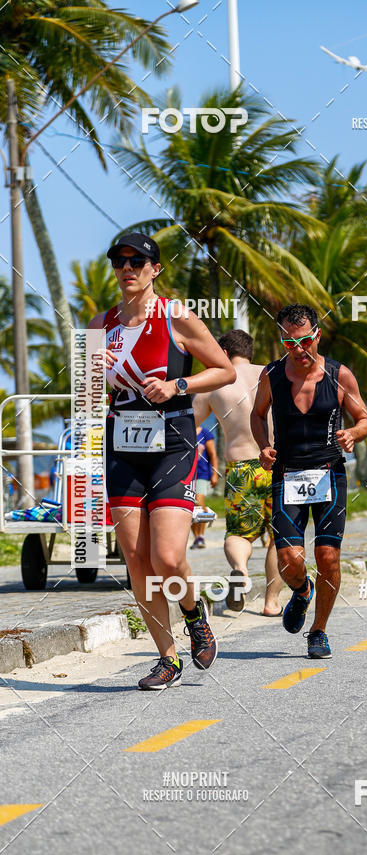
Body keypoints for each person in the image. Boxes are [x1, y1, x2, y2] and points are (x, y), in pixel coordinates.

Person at [89, 233, 236, 689]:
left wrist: (178, 386)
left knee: (168, 557)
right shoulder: (99, 325)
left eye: (137, 261)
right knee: (136, 560)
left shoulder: (176, 316)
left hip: (172, 441)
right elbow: (88, 396)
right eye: (119, 261)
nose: (127, 268)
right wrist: (93, 371)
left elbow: (224, 370)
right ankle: (167, 658)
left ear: (155, 269)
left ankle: (194, 616)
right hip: (121, 445)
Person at [251, 303, 367, 658]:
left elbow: (365, 418)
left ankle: (318, 631)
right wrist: (263, 445)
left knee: (328, 556)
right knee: (289, 558)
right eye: (290, 343)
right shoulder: (272, 375)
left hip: (329, 473)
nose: (298, 349)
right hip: (286, 473)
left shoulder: (339, 375)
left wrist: (353, 433)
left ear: (317, 335)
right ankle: (303, 591)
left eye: (304, 341)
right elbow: (257, 415)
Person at [193, 329, 284, 616]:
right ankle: (271, 603)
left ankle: (240, 571)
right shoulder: (274, 374)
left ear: (223, 352)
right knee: (280, 537)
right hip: (278, 464)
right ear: (250, 351)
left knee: (238, 534)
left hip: (241, 468)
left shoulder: (214, 381)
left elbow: (189, 424)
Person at [190, 424, 219, 549]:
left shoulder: (205, 433)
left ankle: (201, 535)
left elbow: (213, 455)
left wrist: (215, 473)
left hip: (202, 474)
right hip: (187, 475)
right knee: (190, 507)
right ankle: (196, 537)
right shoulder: (184, 431)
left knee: (199, 505)